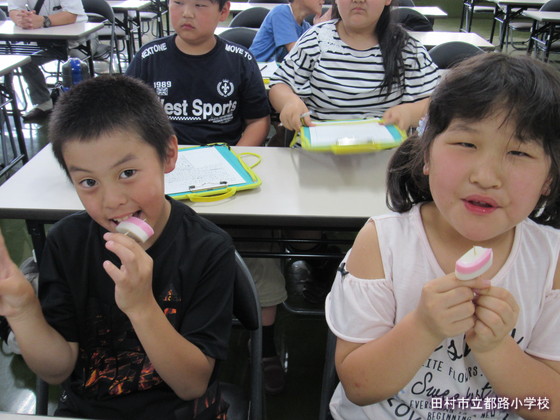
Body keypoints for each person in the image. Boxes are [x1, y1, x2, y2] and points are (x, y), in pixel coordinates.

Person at [325, 53, 560, 419]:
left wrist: (497, 348)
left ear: (549, 179)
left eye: (518, 152)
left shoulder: (551, 261)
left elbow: (550, 405)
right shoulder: (382, 243)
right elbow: (359, 387)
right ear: (427, 154)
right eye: (466, 144)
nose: (486, 176)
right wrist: (423, 327)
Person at [0, 75, 236, 419]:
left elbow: (192, 385)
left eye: (127, 173)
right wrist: (22, 310)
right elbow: (56, 370)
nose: (112, 200)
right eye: (89, 182)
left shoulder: (207, 248)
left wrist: (141, 306)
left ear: (168, 155)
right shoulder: (67, 243)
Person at [268, 0, 440, 133]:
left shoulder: (406, 49)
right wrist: (289, 101)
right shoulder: (315, 40)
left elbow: (437, 101)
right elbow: (279, 85)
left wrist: (409, 113)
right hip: (319, 154)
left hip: (385, 158)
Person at [125, 0, 271, 146]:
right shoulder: (148, 57)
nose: (187, 13)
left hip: (223, 152)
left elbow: (258, 120)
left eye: (200, 5)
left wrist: (235, 155)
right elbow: (124, 116)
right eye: (178, 2)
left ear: (223, 11)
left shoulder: (241, 60)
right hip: (163, 153)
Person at [7, 0, 89, 123]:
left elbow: (72, 14)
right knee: (25, 59)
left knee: (76, 65)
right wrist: (21, 19)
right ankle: (43, 103)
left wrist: (43, 20)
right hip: (45, 38)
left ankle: (84, 104)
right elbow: (14, 9)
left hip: (78, 39)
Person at [249, 0, 326, 63]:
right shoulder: (281, 12)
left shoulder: (306, 27)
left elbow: (320, 55)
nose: (323, 1)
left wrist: (318, 28)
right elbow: (297, 53)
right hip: (258, 70)